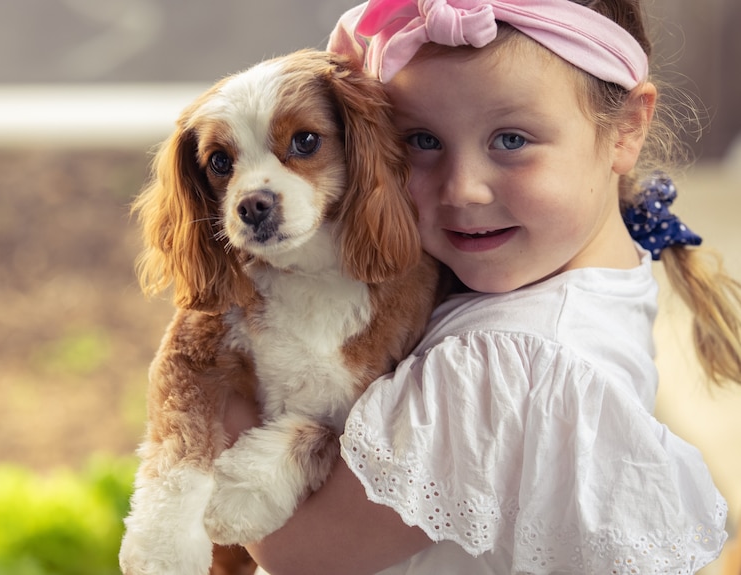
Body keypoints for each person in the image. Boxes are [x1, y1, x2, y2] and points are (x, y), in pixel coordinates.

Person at [220, 1, 741, 573]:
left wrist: (224, 367)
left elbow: (297, 552)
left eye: (512, 140)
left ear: (626, 128)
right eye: (421, 141)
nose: (463, 189)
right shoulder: (591, 269)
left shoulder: (501, 367)